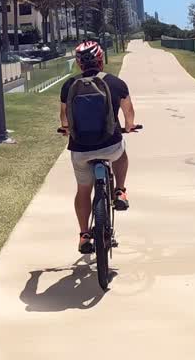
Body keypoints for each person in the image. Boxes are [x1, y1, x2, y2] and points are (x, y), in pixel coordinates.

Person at [60, 40, 136, 254]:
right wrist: (129, 127)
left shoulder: (69, 85)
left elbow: (64, 119)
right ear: (101, 60)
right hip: (110, 145)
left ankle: (84, 235)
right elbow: (129, 113)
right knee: (121, 153)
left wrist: (65, 129)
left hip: (80, 149)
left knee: (83, 190)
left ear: (79, 64)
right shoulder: (115, 82)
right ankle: (120, 191)